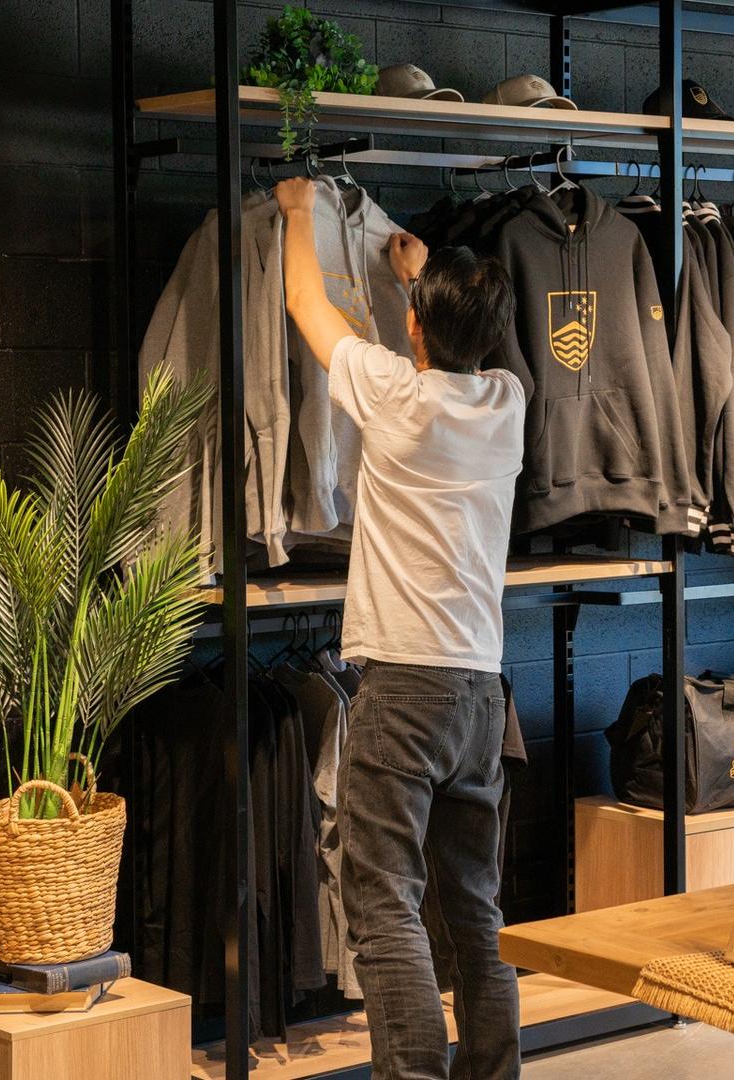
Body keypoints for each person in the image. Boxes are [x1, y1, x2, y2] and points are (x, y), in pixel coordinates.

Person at [275, 176, 525, 1080]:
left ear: (416, 329)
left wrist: (299, 211)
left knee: (384, 906)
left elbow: (307, 300)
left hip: (404, 690)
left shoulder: (392, 395)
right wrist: (421, 285)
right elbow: (447, 359)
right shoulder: (507, 405)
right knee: (474, 913)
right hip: (479, 696)